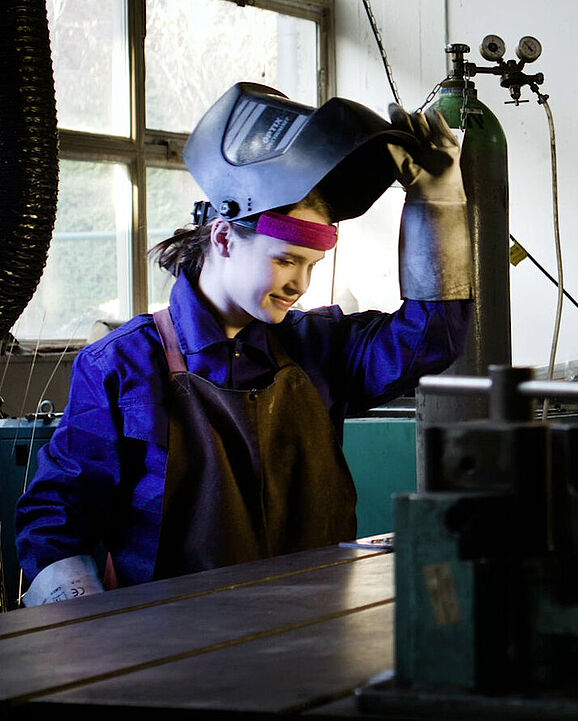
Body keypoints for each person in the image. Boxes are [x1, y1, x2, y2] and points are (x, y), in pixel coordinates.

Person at [15, 83, 473, 606]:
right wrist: (92, 636)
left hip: (313, 629)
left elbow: (431, 339)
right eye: (286, 260)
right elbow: (57, 518)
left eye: (311, 266)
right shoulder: (122, 364)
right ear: (225, 238)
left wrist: (439, 207)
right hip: (173, 653)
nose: (300, 284)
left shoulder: (317, 347)